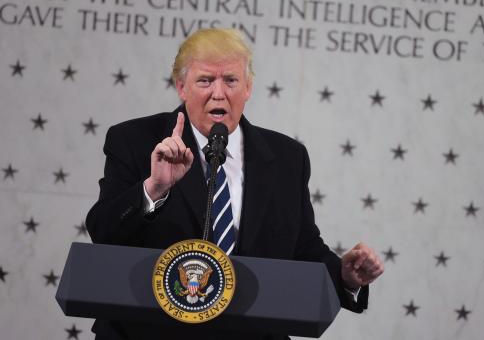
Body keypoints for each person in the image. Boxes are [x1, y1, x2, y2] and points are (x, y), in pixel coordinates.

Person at [86, 28, 384, 340]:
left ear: (248, 88)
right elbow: (104, 231)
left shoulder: (286, 158)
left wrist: (345, 275)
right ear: (181, 87)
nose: (219, 93)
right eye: (205, 80)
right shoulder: (135, 140)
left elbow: (303, 247)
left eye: (230, 80)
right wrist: (154, 189)